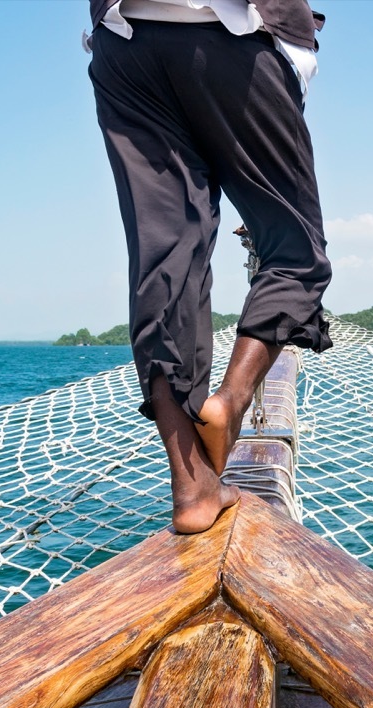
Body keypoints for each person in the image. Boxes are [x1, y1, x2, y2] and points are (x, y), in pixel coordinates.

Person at [85, 0, 332, 533]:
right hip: (234, 34)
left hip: (123, 40)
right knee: (295, 247)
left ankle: (193, 486)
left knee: (164, 255)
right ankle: (231, 401)